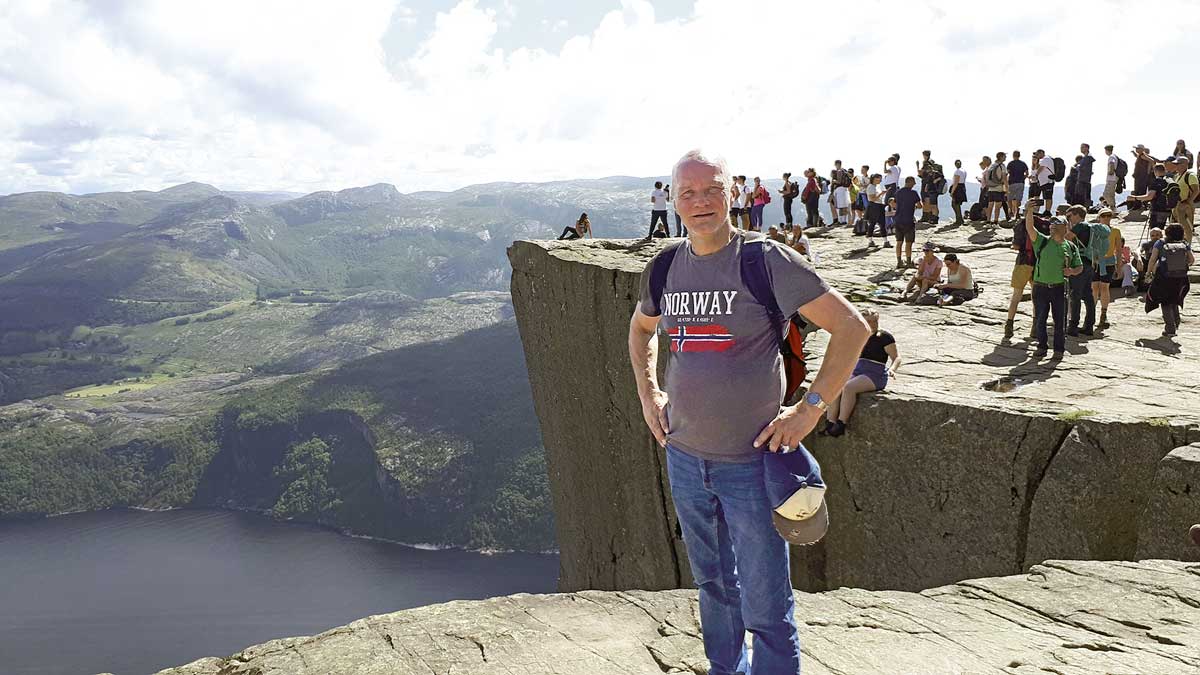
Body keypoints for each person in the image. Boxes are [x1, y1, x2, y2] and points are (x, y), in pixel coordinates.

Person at [630, 149, 870, 675]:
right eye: (688, 192)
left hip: (752, 463)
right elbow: (641, 329)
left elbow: (852, 327)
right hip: (685, 458)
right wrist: (649, 394)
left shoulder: (765, 261)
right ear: (673, 199)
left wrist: (808, 411)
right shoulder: (666, 265)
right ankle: (726, 668)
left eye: (712, 189)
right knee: (713, 584)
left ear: (733, 192)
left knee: (765, 599)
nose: (700, 202)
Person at [819, 309, 898, 438]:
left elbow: (896, 357)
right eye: (869, 321)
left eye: (875, 321)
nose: (873, 324)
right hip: (857, 369)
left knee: (849, 387)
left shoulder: (884, 337)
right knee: (836, 385)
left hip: (875, 374)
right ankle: (830, 422)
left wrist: (892, 369)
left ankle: (841, 424)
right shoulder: (857, 335)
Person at [1025, 201, 1084, 357]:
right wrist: (1029, 211)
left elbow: (1079, 267)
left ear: (1065, 228)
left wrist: (1071, 271)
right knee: (1040, 319)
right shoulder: (1042, 241)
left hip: (1059, 287)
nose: (1052, 227)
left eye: (1056, 225)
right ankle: (1042, 347)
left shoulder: (1070, 246)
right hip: (1040, 286)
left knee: (1060, 321)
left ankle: (1058, 350)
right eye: (1051, 226)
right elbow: (1030, 228)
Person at [1143, 222, 1194, 337]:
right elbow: (1191, 260)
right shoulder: (1184, 243)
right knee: (1175, 299)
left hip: (1164, 277)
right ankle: (1176, 321)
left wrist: (1149, 272)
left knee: (1165, 302)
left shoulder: (1160, 243)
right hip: (1181, 277)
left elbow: (1152, 260)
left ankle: (1170, 329)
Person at [1005, 209, 1048, 340]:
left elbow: (1016, 246)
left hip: (1023, 262)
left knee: (1016, 296)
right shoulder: (1044, 224)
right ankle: (1034, 328)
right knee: (1036, 297)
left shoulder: (1021, 224)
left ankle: (1009, 325)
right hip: (1038, 264)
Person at [1065, 205, 1096, 336]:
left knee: (1075, 295)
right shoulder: (1091, 227)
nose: (1069, 219)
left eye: (1069, 216)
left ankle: (1073, 326)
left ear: (1077, 214)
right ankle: (1089, 325)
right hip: (1090, 263)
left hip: (1079, 263)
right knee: (1088, 295)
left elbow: (1066, 238)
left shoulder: (1080, 226)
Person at [1089, 208, 1120, 329]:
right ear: (1099, 217)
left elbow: (1118, 249)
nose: (1106, 218)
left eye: (1109, 216)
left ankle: (1103, 313)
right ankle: (1091, 314)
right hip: (1095, 261)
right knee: (1094, 287)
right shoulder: (1094, 230)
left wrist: (1119, 267)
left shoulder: (1116, 231)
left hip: (1109, 261)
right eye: (1104, 216)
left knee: (1104, 287)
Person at [1130, 163, 1173, 232]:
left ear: (1155, 171)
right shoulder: (1170, 181)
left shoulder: (1155, 182)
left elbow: (1149, 196)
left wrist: (1135, 198)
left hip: (1157, 210)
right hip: (1169, 209)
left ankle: (1155, 242)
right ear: (1164, 170)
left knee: (1155, 230)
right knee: (1162, 230)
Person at [1166, 155, 1197, 244]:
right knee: (1176, 227)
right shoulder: (1177, 176)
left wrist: (1188, 201)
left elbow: (1196, 190)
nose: (1176, 166)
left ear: (1184, 164)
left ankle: (1187, 246)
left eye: (1178, 164)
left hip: (1185, 205)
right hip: (1177, 205)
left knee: (1186, 227)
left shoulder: (1190, 175)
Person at [893, 176, 923, 268]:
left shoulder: (898, 192)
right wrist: (914, 207)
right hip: (908, 220)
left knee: (899, 242)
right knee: (909, 242)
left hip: (898, 220)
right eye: (913, 182)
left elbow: (894, 203)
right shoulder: (913, 193)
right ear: (909, 182)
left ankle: (899, 261)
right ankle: (909, 261)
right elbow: (920, 205)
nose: (914, 184)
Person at [917, 150, 942, 224]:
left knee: (926, 200)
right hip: (929, 184)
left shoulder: (927, 163)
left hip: (927, 184)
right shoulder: (931, 163)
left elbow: (921, 173)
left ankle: (927, 216)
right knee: (927, 200)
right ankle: (928, 216)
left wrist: (918, 166)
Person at [865, 173, 886, 247]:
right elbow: (872, 199)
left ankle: (885, 241)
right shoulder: (871, 187)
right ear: (874, 179)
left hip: (880, 205)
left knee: (882, 223)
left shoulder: (878, 186)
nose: (880, 180)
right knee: (872, 223)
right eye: (879, 178)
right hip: (874, 206)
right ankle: (870, 240)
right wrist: (881, 194)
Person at [1007, 150, 1029, 221]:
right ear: (1019, 155)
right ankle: (1017, 213)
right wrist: (1023, 178)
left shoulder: (1010, 163)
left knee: (1010, 198)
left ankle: (1011, 211)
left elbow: (1007, 172)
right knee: (1018, 199)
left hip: (1012, 182)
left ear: (1013, 155)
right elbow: (1027, 173)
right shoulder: (1023, 164)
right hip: (1020, 183)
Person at [1034, 149, 1056, 215]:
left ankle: (1047, 211)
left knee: (1048, 197)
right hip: (1045, 182)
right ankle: (1046, 210)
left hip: (1048, 181)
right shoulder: (1045, 159)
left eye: (1037, 154)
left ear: (1041, 153)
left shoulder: (1046, 159)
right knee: (1046, 197)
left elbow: (1041, 168)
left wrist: (1036, 174)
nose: (1036, 156)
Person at [831, 161, 851, 226]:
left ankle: (842, 221)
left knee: (841, 206)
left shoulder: (839, 171)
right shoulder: (844, 171)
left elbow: (839, 182)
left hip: (840, 189)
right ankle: (844, 221)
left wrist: (834, 181)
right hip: (845, 189)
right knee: (844, 205)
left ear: (837, 164)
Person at [1076, 143, 1095, 207]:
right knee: (1085, 196)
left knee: (1083, 196)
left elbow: (1081, 168)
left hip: (1083, 180)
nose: (1081, 149)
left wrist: (1078, 166)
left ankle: (1084, 208)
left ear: (1087, 148)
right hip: (1085, 180)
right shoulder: (1086, 158)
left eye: (1082, 147)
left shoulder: (1088, 158)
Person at [949, 159, 968, 225]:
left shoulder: (957, 171)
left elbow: (956, 182)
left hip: (957, 188)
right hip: (962, 186)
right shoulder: (964, 171)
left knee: (955, 204)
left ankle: (959, 219)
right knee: (957, 204)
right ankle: (959, 219)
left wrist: (952, 192)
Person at [1102, 145, 1120, 212]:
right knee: (1111, 194)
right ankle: (1113, 209)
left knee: (1106, 194)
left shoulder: (1111, 157)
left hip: (1111, 178)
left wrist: (1110, 171)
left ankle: (1113, 208)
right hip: (1114, 178)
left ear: (1106, 150)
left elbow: (1111, 163)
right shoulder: (1114, 156)